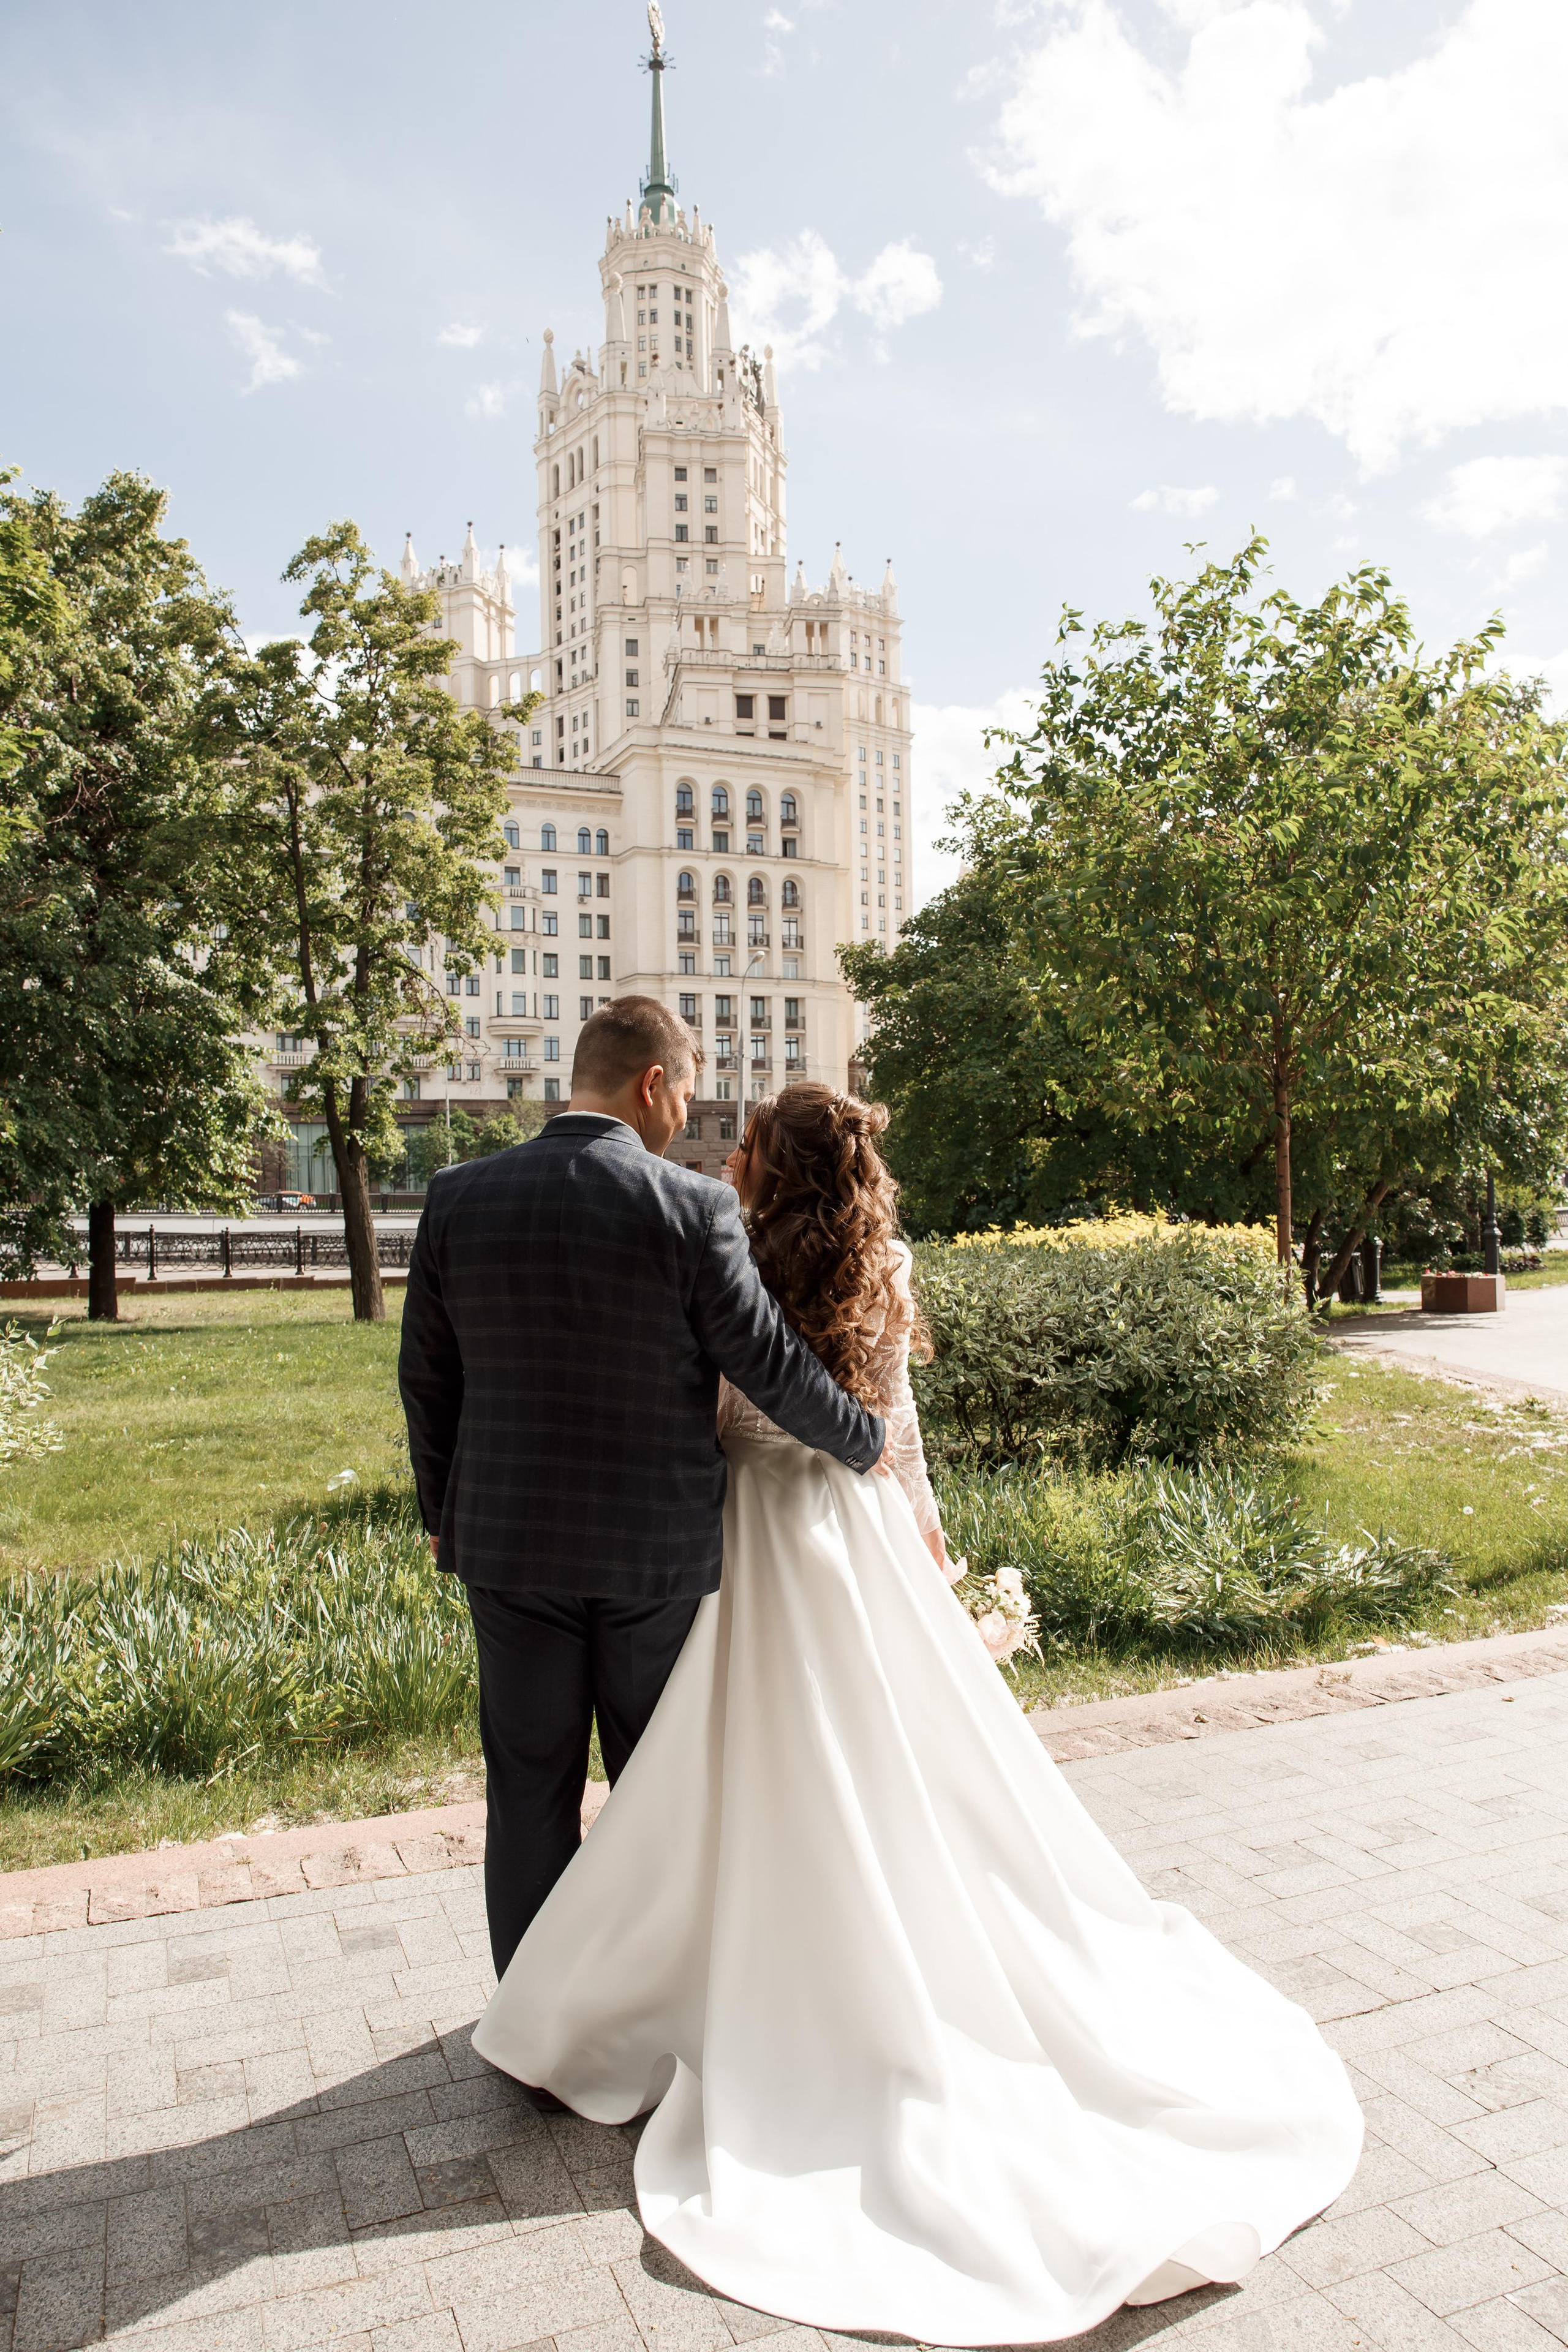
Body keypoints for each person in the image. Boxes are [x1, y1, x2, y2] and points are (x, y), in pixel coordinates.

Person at [473, 1084, 1363, 2346]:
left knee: (727, 1768)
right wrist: (919, 1520)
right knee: (887, 1760)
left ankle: (678, 1972)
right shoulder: (881, 1255)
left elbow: (709, 1403)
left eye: (747, 1146)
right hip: (850, 1526)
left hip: (741, 1526)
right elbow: (894, 1421)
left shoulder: (716, 1238)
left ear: (763, 1163)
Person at [398, 1001, 885, 1978]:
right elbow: (767, 1362)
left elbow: (427, 1377)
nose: (687, 1116)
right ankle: (643, 2011)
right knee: (653, 1790)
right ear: (653, 1084)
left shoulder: (457, 1195)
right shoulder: (690, 1207)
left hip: (507, 1547)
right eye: (690, 1093)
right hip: (649, 1555)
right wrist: (863, 1439)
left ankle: (536, 2030)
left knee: (529, 1789)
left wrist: (442, 1513)